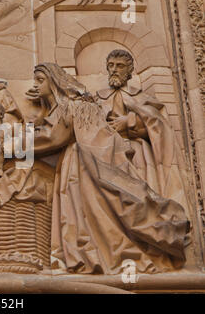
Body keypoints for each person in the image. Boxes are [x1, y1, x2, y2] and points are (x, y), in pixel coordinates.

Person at [29, 62, 190, 274]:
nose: (36, 86)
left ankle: (93, 257)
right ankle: (87, 256)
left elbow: (52, 137)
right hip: (83, 162)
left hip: (87, 164)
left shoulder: (73, 105)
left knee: (91, 211)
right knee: (85, 212)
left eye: (41, 81)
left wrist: (2, 145)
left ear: (55, 83)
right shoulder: (72, 105)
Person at [96, 49, 191, 210]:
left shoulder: (141, 98)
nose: (114, 69)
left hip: (138, 152)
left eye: (120, 66)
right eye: (111, 65)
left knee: (142, 195)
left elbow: (161, 127)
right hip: (109, 152)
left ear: (129, 70)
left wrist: (129, 121)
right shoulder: (98, 98)